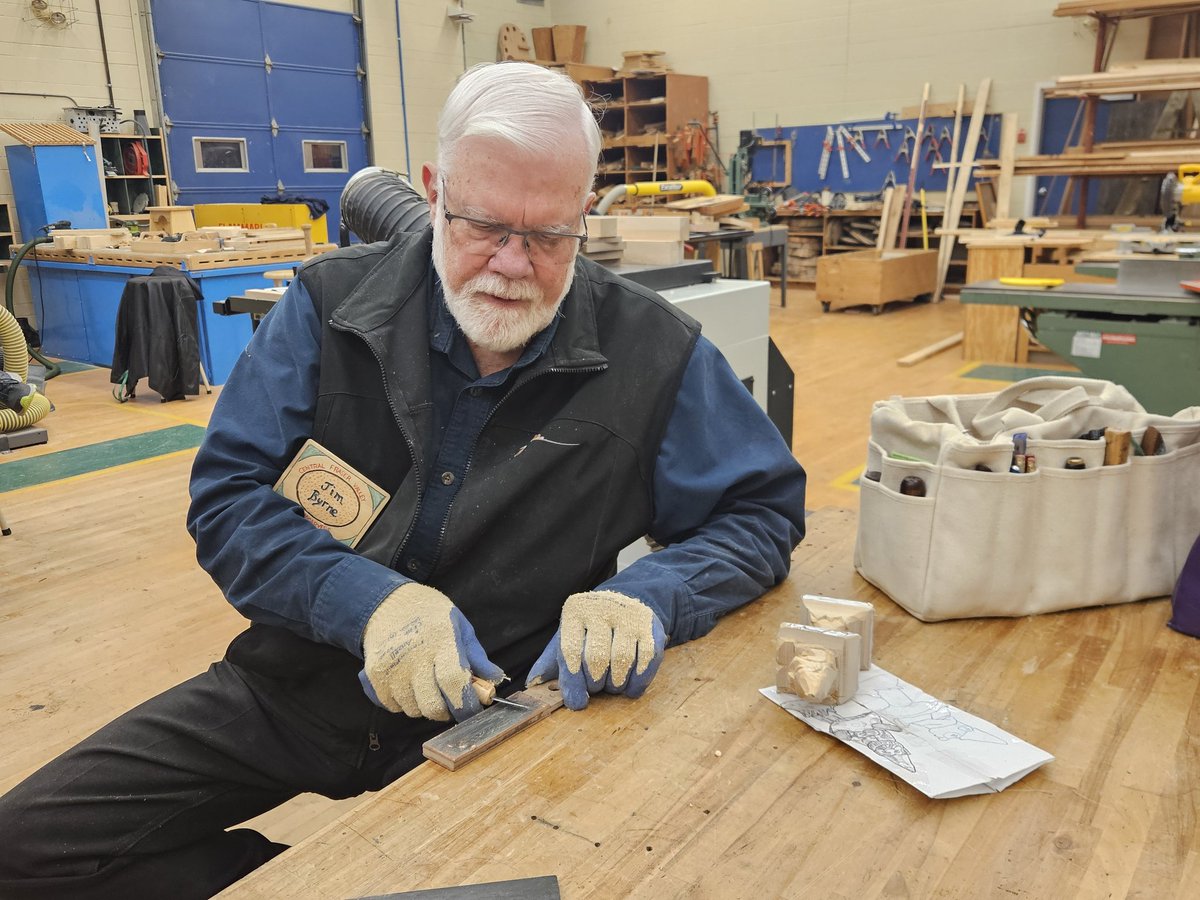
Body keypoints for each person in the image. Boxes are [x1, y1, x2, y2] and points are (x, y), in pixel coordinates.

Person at [0, 61, 805, 898]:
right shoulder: (328, 308)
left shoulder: (655, 352)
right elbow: (229, 500)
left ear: (585, 211)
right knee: (19, 853)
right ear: (433, 191)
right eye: (484, 225)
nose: (511, 263)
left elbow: (760, 512)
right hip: (298, 682)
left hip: (498, 710)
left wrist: (651, 594)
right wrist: (367, 603)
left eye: (549, 234)